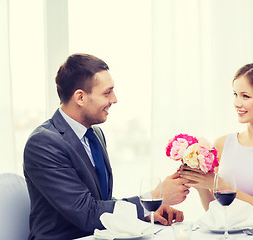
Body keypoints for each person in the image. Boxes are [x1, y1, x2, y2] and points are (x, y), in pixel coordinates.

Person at [23, 53, 189, 240]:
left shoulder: (95, 135)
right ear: (80, 97)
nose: (115, 99)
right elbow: (86, 212)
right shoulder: (43, 143)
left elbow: (99, 203)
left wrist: (145, 213)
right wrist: (154, 197)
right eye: (107, 92)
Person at [179, 61, 253, 225]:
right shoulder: (222, 143)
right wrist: (199, 183)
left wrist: (220, 184)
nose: (237, 103)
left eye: (245, 96)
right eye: (235, 94)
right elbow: (215, 211)